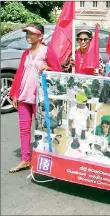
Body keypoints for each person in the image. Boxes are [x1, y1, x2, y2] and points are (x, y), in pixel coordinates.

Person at [8, 22, 61, 173]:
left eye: (31, 33)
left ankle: (47, 159)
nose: (28, 36)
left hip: (40, 98)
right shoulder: (26, 53)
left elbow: (58, 72)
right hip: (24, 97)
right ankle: (25, 159)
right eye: (27, 33)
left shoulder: (47, 52)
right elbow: (19, 74)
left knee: (44, 129)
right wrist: (14, 93)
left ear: (41, 36)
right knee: (24, 129)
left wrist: (48, 68)